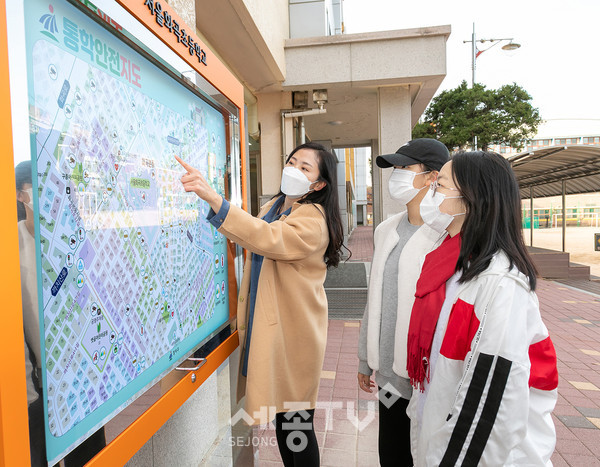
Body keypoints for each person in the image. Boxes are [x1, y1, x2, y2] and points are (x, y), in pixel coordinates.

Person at [176, 142, 345, 467]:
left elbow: (266, 237)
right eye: (292, 161)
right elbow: (252, 234)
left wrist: (215, 200)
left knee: (296, 423)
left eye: (305, 168)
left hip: (295, 336)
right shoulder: (278, 205)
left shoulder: (312, 219)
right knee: (285, 420)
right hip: (275, 328)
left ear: (320, 184)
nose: (293, 169)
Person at [407, 151, 558, 466]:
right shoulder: (452, 265)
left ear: (470, 198)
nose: (431, 192)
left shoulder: (500, 283)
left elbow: (492, 403)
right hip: (444, 442)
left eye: (441, 185)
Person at [357, 138, 450, 466]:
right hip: (387, 374)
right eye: (394, 168)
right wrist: (364, 360)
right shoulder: (386, 229)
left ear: (431, 177)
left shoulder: (446, 235)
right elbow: (376, 296)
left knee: (423, 456)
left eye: (403, 167)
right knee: (391, 454)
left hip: (427, 377)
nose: (395, 174)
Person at [16, 161, 106, 466]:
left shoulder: (72, 240)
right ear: (20, 196)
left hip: (81, 384)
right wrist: (31, 397)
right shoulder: (11, 247)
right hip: (40, 393)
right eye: (41, 188)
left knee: (90, 457)